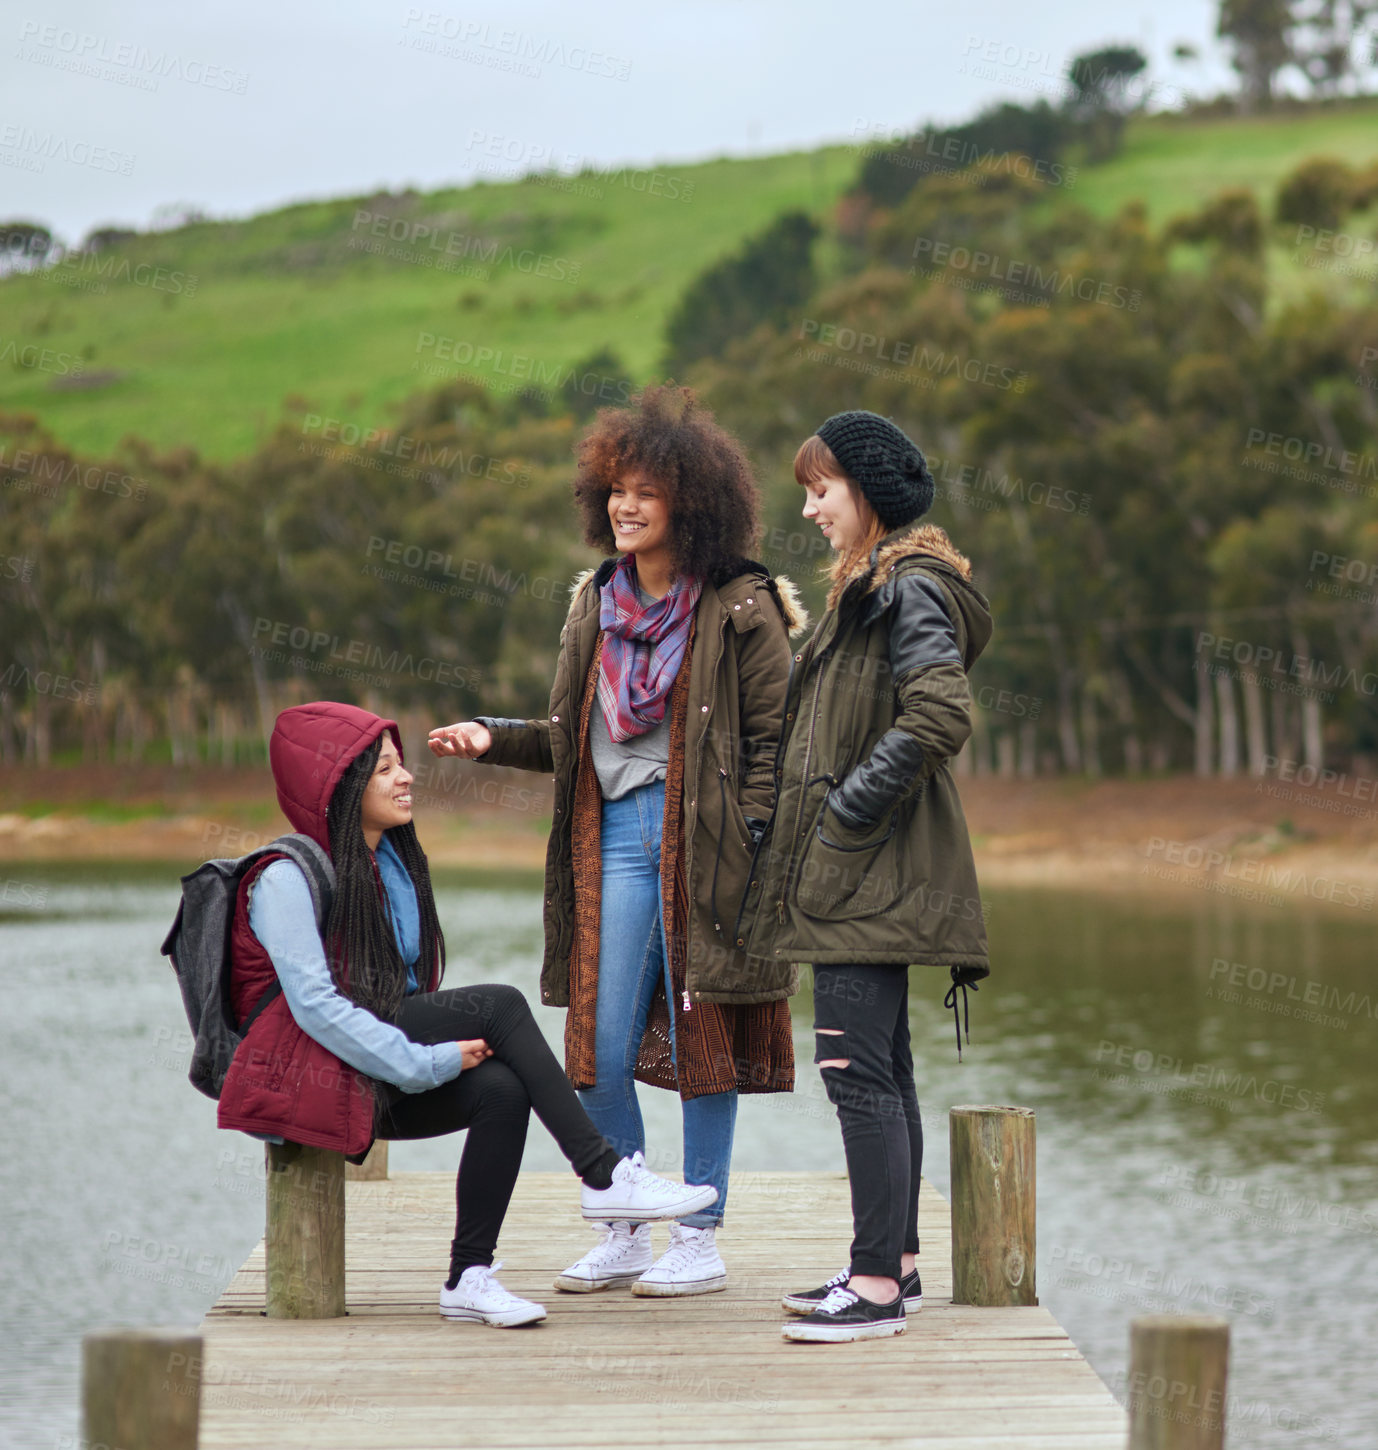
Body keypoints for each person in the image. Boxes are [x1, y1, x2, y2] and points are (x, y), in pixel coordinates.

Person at [429, 385, 804, 1298]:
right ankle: (628, 1222)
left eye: (647, 490)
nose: (625, 506)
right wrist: (494, 735)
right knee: (592, 1038)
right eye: (615, 490)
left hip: (707, 844)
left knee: (701, 1028)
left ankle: (700, 1238)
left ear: (694, 501)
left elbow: (774, 745)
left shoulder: (743, 607)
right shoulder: (596, 600)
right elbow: (574, 734)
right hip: (612, 836)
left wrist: (750, 839)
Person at [217, 699, 719, 1328]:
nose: (404, 778)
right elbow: (315, 1008)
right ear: (336, 787)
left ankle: (468, 1277)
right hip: (312, 1078)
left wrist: (433, 1058)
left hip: (371, 1072)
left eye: (401, 766)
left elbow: (402, 993)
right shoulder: (286, 879)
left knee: (501, 1091)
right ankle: (603, 1172)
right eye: (382, 771)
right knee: (501, 1005)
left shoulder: (394, 862)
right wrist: (425, 1062)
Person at [736, 410, 993, 1344]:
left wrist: (845, 812)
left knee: (854, 1073)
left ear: (870, 495)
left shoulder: (904, 590)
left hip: (868, 876)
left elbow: (937, 713)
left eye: (821, 489)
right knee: (882, 1070)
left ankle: (876, 1287)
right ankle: (896, 1266)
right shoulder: (875, 589)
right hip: (870, 877)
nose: (808, 510)